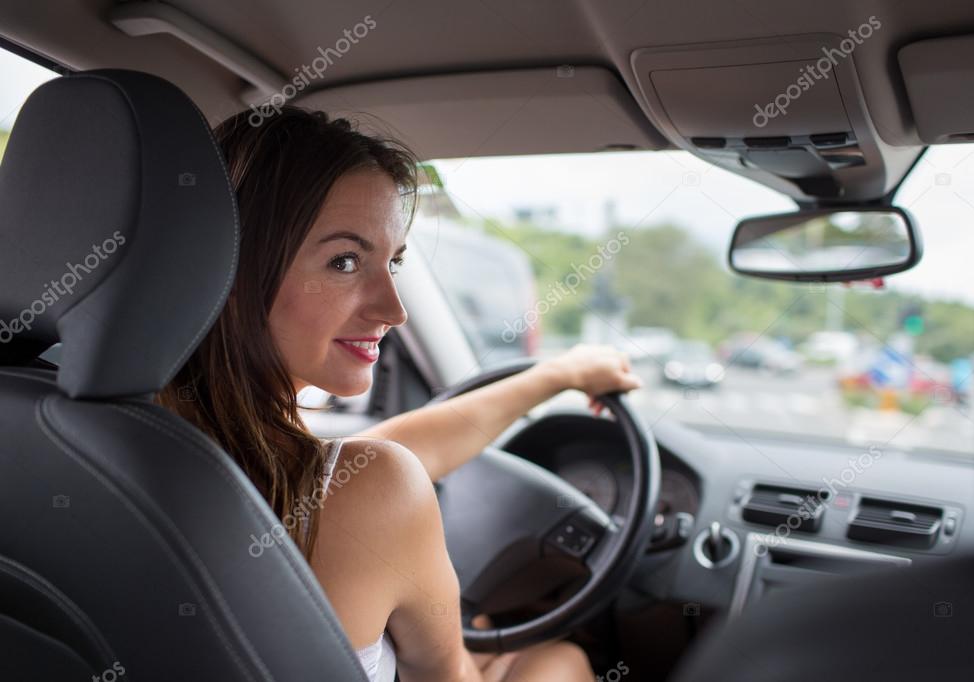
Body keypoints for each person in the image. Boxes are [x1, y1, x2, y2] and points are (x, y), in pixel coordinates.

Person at [157, 106, 642, 681]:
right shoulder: (370, 491)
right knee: (559, 658)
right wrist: (478, 645)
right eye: (344, 261)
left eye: (392, 262)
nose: (394, 309)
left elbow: (353, 472)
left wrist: (553, 377)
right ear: (231, 267)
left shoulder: (92, 432)